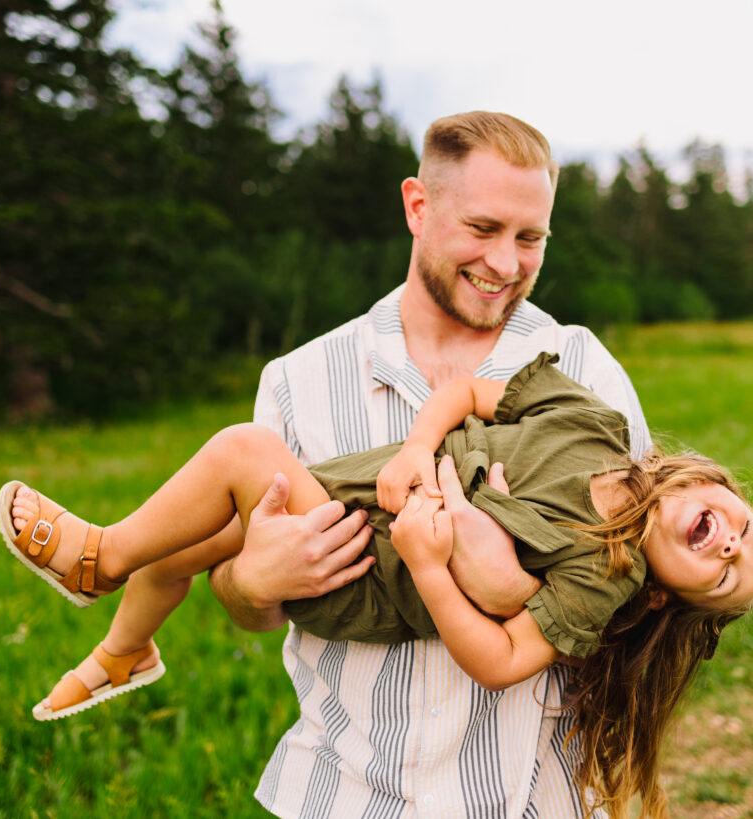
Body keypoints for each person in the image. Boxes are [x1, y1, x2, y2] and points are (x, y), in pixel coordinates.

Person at [0, 353, 753, 818]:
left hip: (362, 564)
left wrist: (436, 565)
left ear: (670, 595)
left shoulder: (606, 574)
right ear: (710, 481)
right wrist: (416, 448)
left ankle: (97, 558)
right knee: (180, 548)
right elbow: (472, 393)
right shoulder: (594, 423)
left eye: (728, 570)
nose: (732, 542)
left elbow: (506, 655)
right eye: (746, 527)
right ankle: (125, 650)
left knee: (243, 449)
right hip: (350, 490)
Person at [211, 111, 655, 818]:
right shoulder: (301, 380)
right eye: (482, 230)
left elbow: (644, 606)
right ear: (418, 205)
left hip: (535, 800)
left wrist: (515, 587)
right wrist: (253, 582)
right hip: (343, 798)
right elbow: (239, 595)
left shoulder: (582, 370)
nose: (506, 264)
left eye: (529, 237)